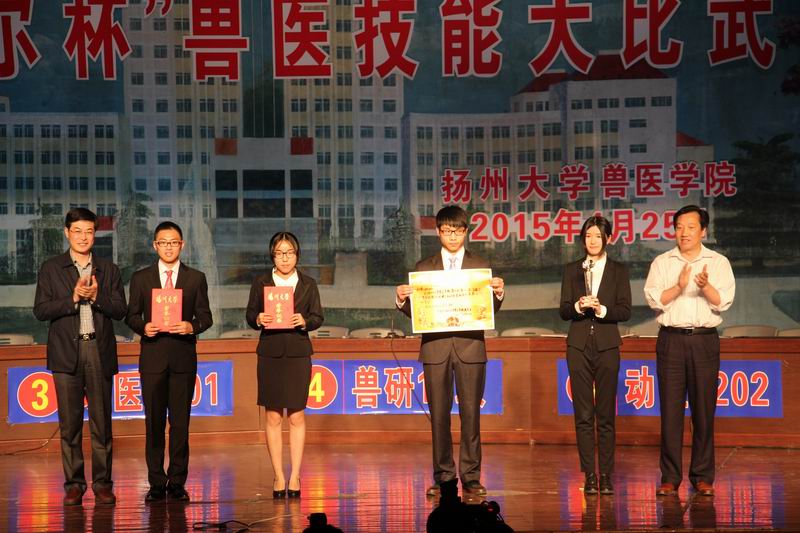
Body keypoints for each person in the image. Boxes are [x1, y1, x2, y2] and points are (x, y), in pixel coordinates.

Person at [395, 205, 505, 497]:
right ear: (438, 232)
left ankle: (471, 477)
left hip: (470, 347)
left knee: (471, 415)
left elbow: (487, 311)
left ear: (465, 232)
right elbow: (418, 313)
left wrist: (498, 294)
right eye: (446, 231)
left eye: (457, 231)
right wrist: (402, 300)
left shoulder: (479, 266)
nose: (452, 236)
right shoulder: (424, 269)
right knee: (439, 416)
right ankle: (444, 476)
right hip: (436, 349)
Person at [33, 208, 127, 506]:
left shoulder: (108, 269)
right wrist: (73, 298)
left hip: (98, 350)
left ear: (95, 234)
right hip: (66, 353)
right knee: (69, 425)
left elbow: (120, 310)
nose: (83, 237)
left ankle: (102, 483)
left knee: (102, 424)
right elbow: (41, 310)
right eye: (77, 231)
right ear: (67, 233)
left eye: (89, 231)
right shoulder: (52, 268)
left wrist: (96, 297)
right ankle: (74, 484)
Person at [644, 205, 735, 497]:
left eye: (691, 227)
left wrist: (705, 287)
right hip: (671, 340)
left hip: (703, 341)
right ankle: (670, 477)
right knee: (670, 411)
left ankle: (702, 476)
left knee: (704, 411)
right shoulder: (662, 262)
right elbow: (654, 299)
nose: (684, 233)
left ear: (703, 231)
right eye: (679, 227)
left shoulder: (718, 262)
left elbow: (723, 302)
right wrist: (679, 286)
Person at [125, 221, 213, 503]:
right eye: (163, 242)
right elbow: (131, 315)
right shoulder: (141, 278)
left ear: (182, 245)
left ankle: (177, 482)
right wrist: (143, 327)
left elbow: (206, 317)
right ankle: (155, 482)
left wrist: (191, 326)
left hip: (182, 358)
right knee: (153, 424)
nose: (168, 247)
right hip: (152, 358)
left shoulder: (195, 278)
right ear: (155, 245)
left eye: (173, 242)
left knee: (180, 424)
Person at [245, 232, 323, 499]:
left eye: (289, 253)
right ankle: (278, 475)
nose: (285, 258)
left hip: (298, 353)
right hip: (270, 354)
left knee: (297, 415)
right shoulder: (261, 283)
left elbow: (318, 316)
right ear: (273, 256)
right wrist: (259, 318)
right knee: (273, 416)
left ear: (297, 255)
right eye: (279, 253)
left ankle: (295, 475)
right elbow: (249, 314)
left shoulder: (308, 284)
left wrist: (305, 321)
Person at [559, 216, 631, 496]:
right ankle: (590, 474)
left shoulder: (618, 270)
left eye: (598, 236)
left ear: (608, 239)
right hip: (578, 346)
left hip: (607, 345)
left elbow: (625, 310)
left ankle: (606, 475)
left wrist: (602, 310)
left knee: (606, 414)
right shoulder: (572, 269)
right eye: (588, 236)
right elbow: (564, 310)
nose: (592, 241)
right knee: (583, 414)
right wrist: (579, 306)